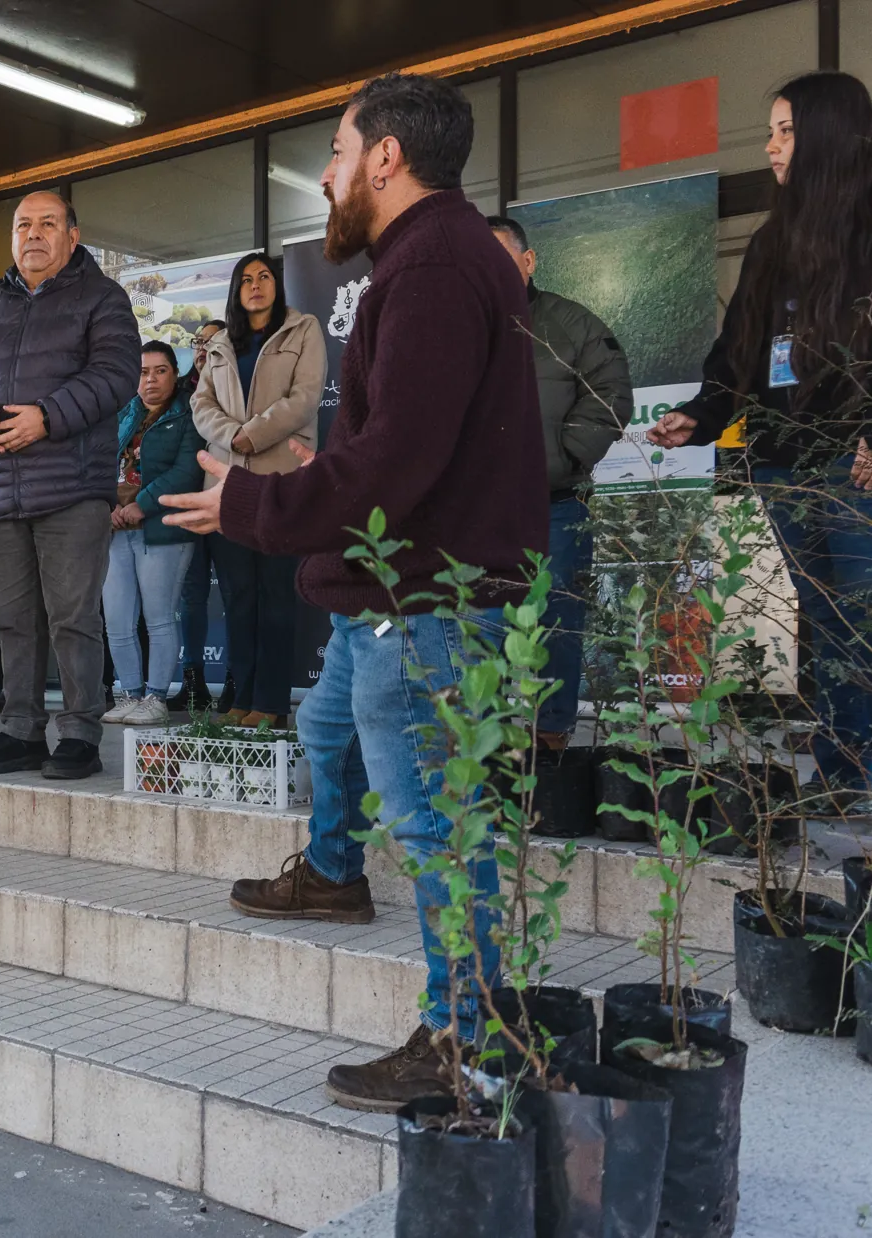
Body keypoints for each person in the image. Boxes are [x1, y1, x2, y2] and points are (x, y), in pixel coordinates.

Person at [157, 72, 546, 1110]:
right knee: (326, 719)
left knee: (432, 828)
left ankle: (466, 1041)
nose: (324, 176)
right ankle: (332, 867)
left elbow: (390, 463)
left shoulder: (428, 271)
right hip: (399, 595)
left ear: (384, 157)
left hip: (424, 607)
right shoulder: (436, 259)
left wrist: (253, 506)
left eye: (333, 150)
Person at [650, 72, 872, 810]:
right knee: (825, 619)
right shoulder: (777, 233)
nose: (770, 146)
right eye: (770, 130)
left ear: (830, 132)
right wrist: (702, 413)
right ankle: (842, 772)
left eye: (787, 130)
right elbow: (741, 345)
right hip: (790, 457)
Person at [0, 191, 141, 779]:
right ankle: (19, 729)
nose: (33, 234)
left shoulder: (103, 296)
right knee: (11, 619)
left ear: (72, 237)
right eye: (23, 224)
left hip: (73, 487)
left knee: (73, 617)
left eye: (47, 224)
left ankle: (79, 732)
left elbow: (116, 374)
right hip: (0, 490)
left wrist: (45, 417)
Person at [487, 215, 634, 747]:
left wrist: (564, 455)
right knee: (481, 624)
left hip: (555, 504)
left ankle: (550, 741)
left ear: (528, 263)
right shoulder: (455, 326)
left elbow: (612, 394)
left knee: (556, 621)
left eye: (500, 259)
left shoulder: (572, 323)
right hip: (479, 513)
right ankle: (489, 743)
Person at [189, 252, 325, 729]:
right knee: (238, 596)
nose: (255, 285)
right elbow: (200, 403)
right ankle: (240, 698)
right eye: (245, 279)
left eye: (264, 276)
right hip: (227, 487)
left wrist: (253, 433)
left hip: (281, 482)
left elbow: (306, 397)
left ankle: (271, 703)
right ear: (235, 291)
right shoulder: (223, 342)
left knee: (276, 595)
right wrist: (232, 437)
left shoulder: (302, 329)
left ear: (276, 284)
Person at [100, 342, 207, 727]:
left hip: (162, 528)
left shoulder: (190, 413)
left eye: (160, 371)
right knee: (116, 618)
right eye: (144, 372)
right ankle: (130, 694)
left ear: (174, 374)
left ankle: (157, 697)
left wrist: (140, 505)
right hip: (115, 528)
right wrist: (109, 506)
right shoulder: (126, 412)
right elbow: (100, 463)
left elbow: (187, 472)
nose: (150, 379)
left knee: (159, 618)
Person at [168, 321, 226, 714]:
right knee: (191, 596)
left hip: (228, 501)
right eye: (198, 341)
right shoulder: (180, 391)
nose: (203, 348)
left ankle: (239, 678)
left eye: (211, 341)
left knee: (238, 595)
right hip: (188, 502)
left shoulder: (236, 384)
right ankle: (193, 682)